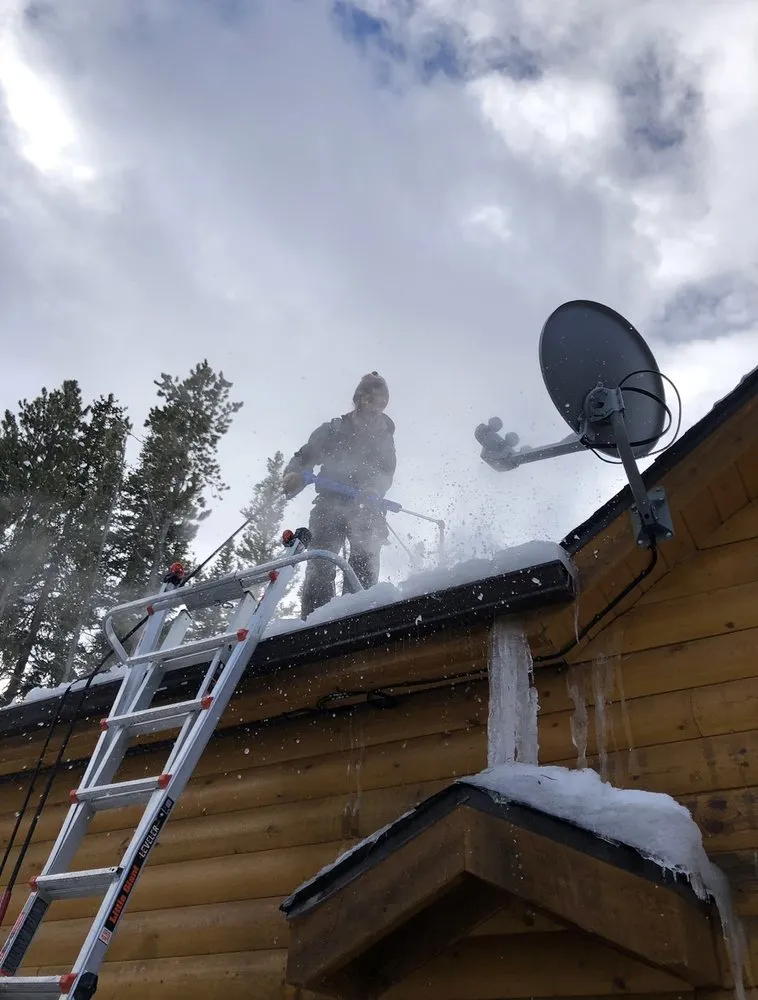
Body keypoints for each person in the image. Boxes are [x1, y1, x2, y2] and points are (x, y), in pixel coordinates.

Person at [282, 372, 396, 618]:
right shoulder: (333, 430)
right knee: (321, 564)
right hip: (329, 504)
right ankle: (314, 620)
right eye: (371, 400)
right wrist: (293, 475)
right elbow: (305, 457)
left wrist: (374, 489)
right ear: (359, 400)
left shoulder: (385, 439)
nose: (375, 408)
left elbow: (387, 472)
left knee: (364, 563)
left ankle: (357, 616)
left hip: (368, 507)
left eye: (382, 403)